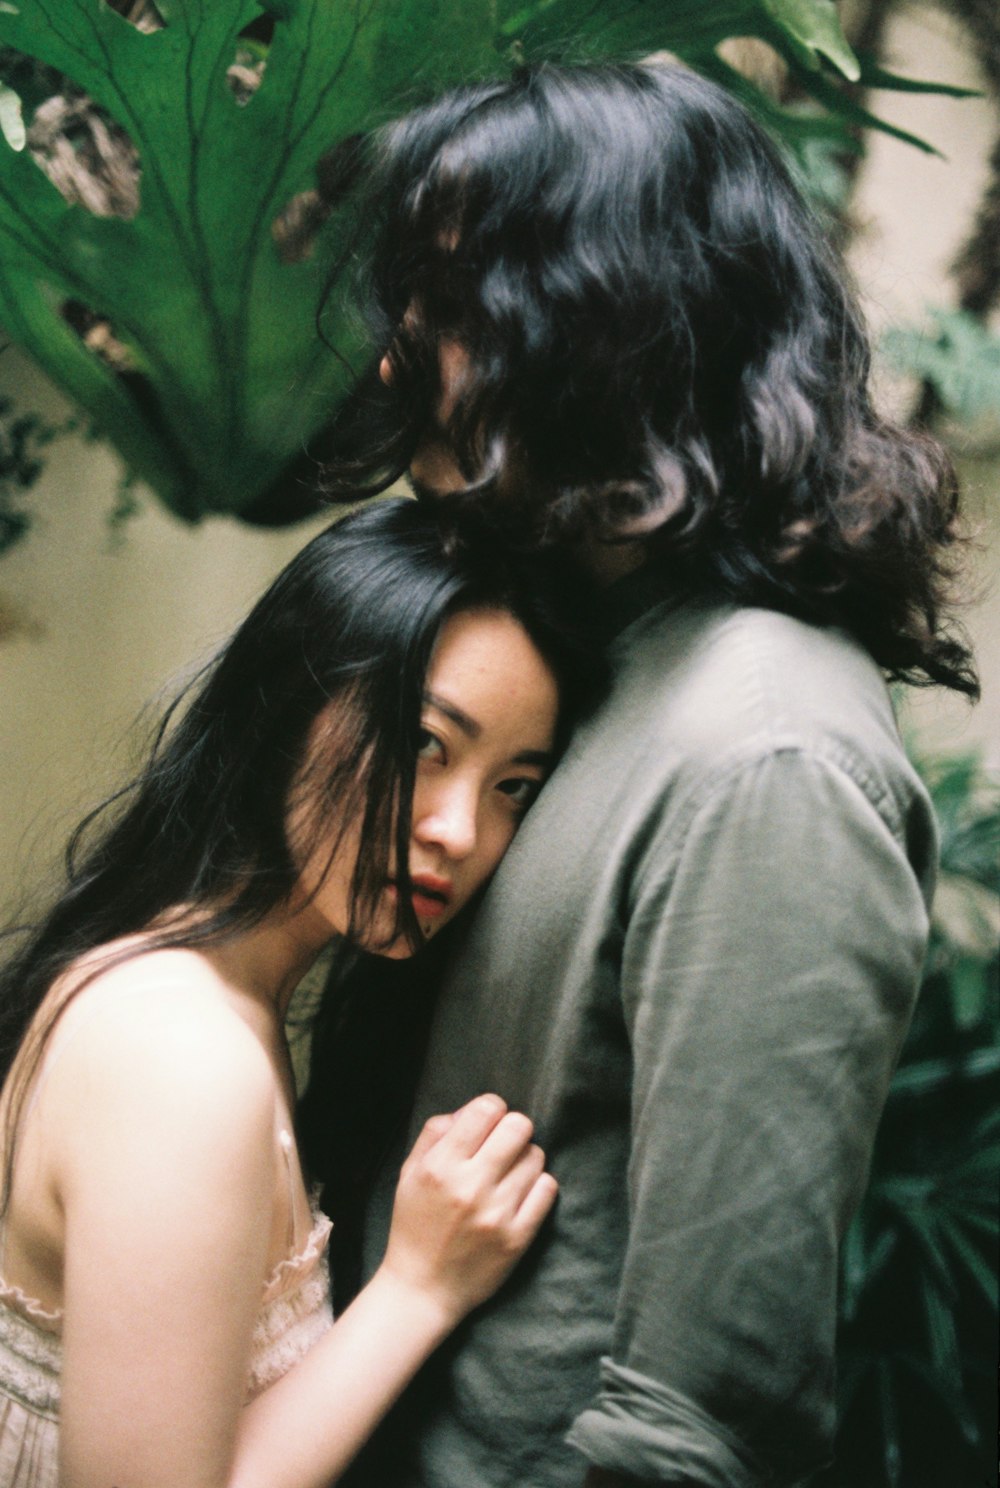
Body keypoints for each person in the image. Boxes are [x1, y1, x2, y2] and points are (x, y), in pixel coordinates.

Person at [304, 62, 980, 1488]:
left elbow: (699, 1428)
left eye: (446, 313)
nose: (392, 361)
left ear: (604, 322)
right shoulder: (579, 661)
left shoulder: (767, 752)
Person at [0, 497, 599, 1488]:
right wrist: (417, 1288)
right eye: (424, 745)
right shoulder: (179, 1056)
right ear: (288, 706)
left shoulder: (214, 1002)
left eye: (513, 788)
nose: (460, 830)